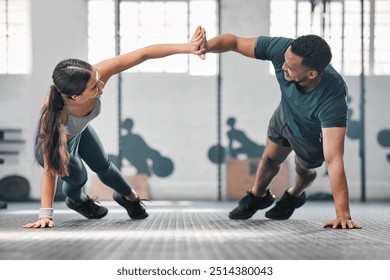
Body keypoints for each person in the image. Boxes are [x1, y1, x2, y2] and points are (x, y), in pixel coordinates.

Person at [23, 26, 206, 229]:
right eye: (94, 87)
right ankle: (77, 200)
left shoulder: (95, 76)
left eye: (98, 79)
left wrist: (187, 48)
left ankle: (130, 197)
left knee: (104, 165)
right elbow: (50, 172)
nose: (101, 85)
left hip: (78, 132)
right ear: (75, 96)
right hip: (57, 144)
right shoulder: (55, 117)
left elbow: (143, 54)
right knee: (79, 177)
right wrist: (45, 215)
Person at [200, 32, 361, 229]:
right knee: (269, 159)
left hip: (310, 133)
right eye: (285, 61)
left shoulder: (333, 97)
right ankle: (257, 196)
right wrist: (205, 46)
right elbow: (234, 42)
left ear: (311, 74)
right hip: (285, 115)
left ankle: (294, 195)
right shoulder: (283, 50)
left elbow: (334, 159)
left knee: (303, 169)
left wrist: (343, 215)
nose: (283, 66)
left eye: (291, 67)